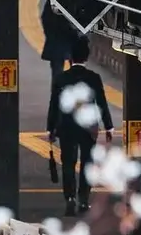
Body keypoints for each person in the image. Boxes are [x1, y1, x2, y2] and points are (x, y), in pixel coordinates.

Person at [46, 35, 113, 216]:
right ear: (86, 57)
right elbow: (102, 103)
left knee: (68, 163)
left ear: (70, 58)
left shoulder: (61, 78)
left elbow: (54, 105)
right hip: (88, 128)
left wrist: (50, 128)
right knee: (87, 163)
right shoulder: (93, 78)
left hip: (66, 127)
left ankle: (69, 198)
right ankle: (83, 200)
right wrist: (108, 127)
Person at [41, 0, 76, 85]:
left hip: (57, 40)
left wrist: (50, 35)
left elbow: (45, 18)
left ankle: (57, 94)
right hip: (72, 38)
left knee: (57, 72)